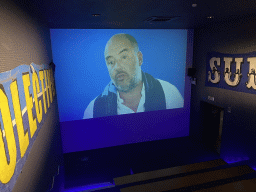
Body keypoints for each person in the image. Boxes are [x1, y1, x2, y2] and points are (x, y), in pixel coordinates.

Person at [83, 33, 183, 119]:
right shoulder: (93, 109)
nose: (117, 67)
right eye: (111, 62)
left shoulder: (168, 94)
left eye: (124, 57)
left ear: (139, 58)